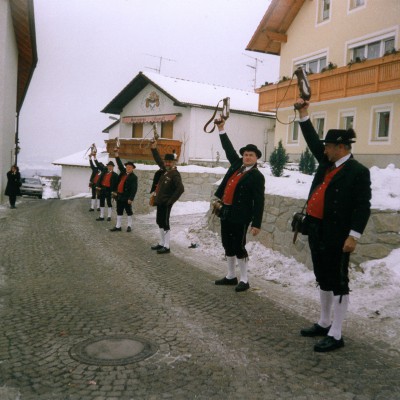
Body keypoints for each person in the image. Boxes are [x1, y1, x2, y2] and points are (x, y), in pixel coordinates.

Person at [296, 99, 371, 352]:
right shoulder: (328, 163)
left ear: (340, 147)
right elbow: (311, 140)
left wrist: (354, 236)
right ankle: (325, 321)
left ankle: (337, 334)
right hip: (317, 230)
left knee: (338, 281)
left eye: (328, 146)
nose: (324, 150)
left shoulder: (358, 172)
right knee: (323, 278)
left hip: (339, 235)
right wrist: (303, 113)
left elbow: (363, 206)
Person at [213, 117, 265, 292]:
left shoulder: (257, 176)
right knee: (227, 244)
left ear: (256, 158)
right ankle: (230, 276)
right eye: (245, 154)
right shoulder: (237, 165)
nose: (247, 157)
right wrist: (221, 129)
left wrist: (256, 223)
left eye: (251, 155)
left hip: (241, 216)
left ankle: (244, 279)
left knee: (238, 246)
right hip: (226, 211)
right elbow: (228, 148)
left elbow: (259, 201)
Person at [150, 141, 184, 254]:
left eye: (170, 162)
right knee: (159, 221)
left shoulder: (175, 174)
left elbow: (180, 189)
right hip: (160, 202)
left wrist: (170, 201)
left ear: (173, 163)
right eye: (166, 162)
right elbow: (158, 161)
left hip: (166, 203)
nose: (167, 164)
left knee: (165, 223)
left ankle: (167, 246)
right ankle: (161, 242)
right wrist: (154, 149)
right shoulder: (165, 171)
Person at [110, 149, 138, 232]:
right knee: (119, 211)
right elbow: (119, 164)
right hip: (119, 195)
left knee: (128, 211)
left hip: (127, 197)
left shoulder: (134, 177)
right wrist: (116, 154)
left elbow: (134, 188)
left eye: (130, 167)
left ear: (132, 168)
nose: (128, 168)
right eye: (127, 167)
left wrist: (131, 198)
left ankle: (129, 226)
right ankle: (118, 226)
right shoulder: (123, 173)